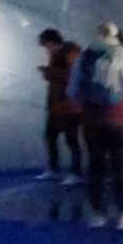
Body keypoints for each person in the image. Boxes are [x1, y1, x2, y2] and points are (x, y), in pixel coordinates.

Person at [68, 22, 123, 230]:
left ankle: (96, 214)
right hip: (120, 122)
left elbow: (73, 89)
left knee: (96, 167)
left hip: (93, 121)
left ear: (98, 34)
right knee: (121, 168)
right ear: (116, 34)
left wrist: (85, 106)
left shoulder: (85, 55)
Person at [35, 28, 83, 183]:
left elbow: (72, 75)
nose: (46, 49)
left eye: (46, 45)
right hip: (57, 105)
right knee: (51, 136)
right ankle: (54, 168)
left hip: (68, 106)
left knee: (71, 139)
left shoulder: (69, 53)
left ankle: (76, 173)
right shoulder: (58, 54)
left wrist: (49, 72)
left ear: (52, 42)